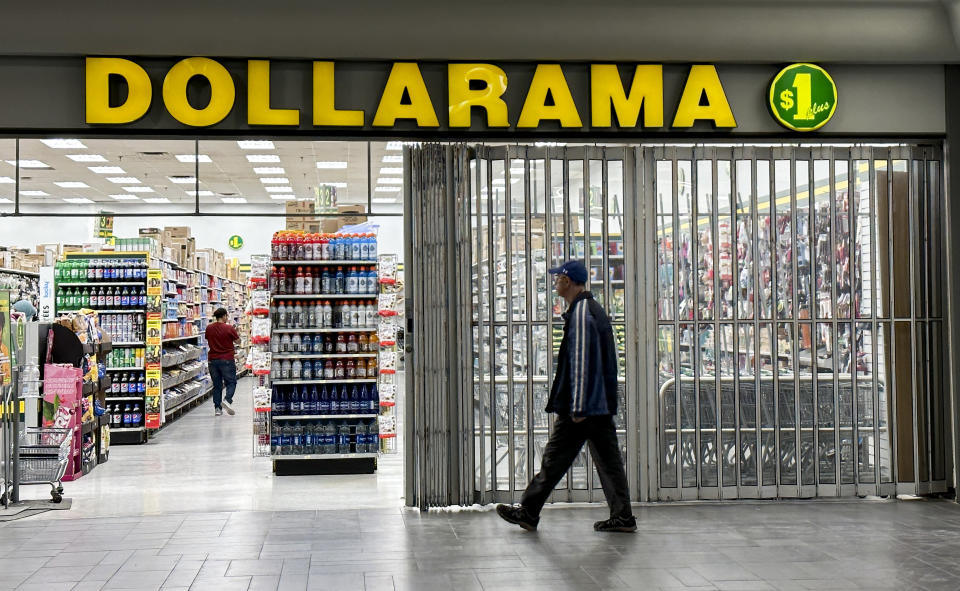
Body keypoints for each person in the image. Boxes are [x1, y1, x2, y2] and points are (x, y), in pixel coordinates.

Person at [497, 260, 636, 533]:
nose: (555, 282)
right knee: (608, 462)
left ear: (569, 281)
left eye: (558, 277)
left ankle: (528, 511)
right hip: (597, 404)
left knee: (555, 457)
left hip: (585, 407)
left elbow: (582, 363)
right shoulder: (587, 310)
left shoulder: (583, 313)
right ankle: (623, 516)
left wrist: (578, 406)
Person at [205, 307, 240, 416]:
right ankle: (227, 400)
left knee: (217, 385)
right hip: (226, 359)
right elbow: (238, 341)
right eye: (227, 316)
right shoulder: (229, 328)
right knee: (231, 382)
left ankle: (217, 409)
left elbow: (208, 339)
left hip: (212, 360)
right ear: (224, 316)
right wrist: (236, 333)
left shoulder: (209, 328)